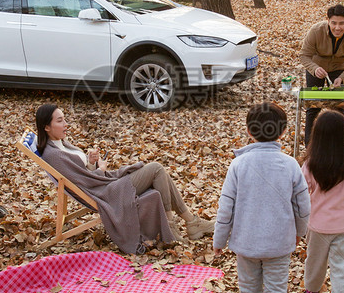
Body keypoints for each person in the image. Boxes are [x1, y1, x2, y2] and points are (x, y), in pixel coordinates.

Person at [213, 101, 311, 293]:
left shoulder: (239, 164)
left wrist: (219, 239)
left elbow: (226, 207)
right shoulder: (290, 165)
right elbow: (303, 206)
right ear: (282, 133)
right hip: (279, 244)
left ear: (248, 132)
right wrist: (300, 232)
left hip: (246, 243)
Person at [33, 103, 214, 254]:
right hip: (105, 192)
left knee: (160, 174)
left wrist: (91, 163)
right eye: (60, 121)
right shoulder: (53, 155)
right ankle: (177, 224)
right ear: (46, 127)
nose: (66, 124)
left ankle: (190, 222)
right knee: (157, 169)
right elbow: (84, 184)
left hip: (103, 185)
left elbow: (81, 174)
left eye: (64, 119)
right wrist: (101, 171)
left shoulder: (61, 143)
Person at [301, 109, 344, 293]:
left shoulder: (311, 163)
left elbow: (301, 192)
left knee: (315, 261)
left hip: (317, 224)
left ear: (317, 136)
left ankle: (312, 291)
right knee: (342, 267)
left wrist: (303, 218)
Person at [299, 3, 344, 146]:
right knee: (313, 107)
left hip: (338, 70)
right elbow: (304, 55)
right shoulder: (316, 31)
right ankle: (309, 146)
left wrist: (343, 77)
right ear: (328, 21)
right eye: (334, 23)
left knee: (339, 107)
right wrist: (315, 69)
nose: (337, 27)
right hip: (316, 68)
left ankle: (340, 145)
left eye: (342, 23)